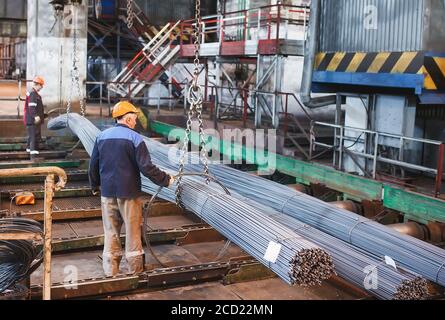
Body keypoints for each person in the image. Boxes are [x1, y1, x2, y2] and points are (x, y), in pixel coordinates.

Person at [88, 101, 175, 276]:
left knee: (110, 231)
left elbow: (93, 165)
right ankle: (135, 270)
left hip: (107, 193)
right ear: (128, 119)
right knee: (132, 232)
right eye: (134, 119)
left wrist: (94, 186)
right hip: (129, 193)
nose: (135, 123)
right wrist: (166, 180)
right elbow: (147, 167)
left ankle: (110, 270)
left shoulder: (101, 136)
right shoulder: (135, 138)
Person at [24, 76, 45, 155]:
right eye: (41, 85)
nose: (42, 87)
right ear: (38, 84)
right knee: (33, 135)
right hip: (31, 119)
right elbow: (31, 107)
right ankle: (33, 151)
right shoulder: (33, 94)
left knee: (31, 134)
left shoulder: (34, 93)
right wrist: (35, 116)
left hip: (30, 118)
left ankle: (28, 148)